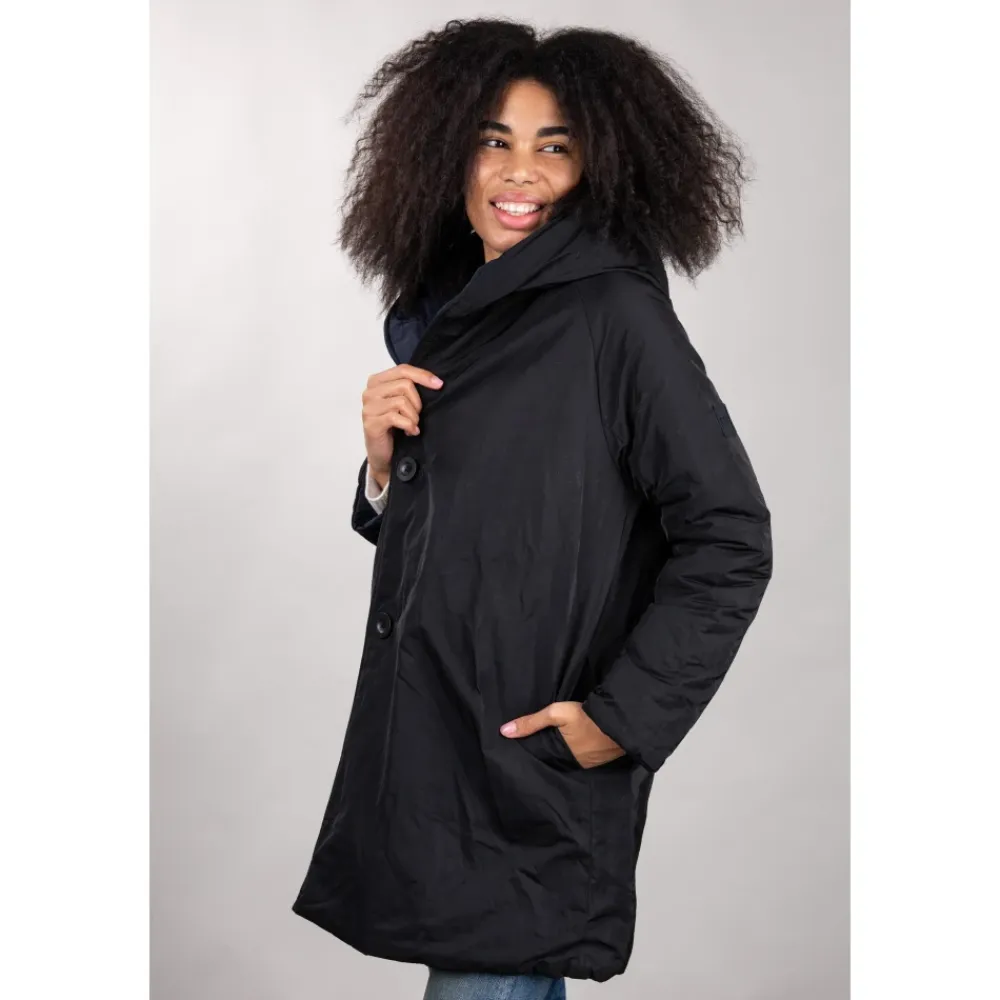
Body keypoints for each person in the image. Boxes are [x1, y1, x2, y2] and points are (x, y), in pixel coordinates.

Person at [292, 18, 773, 1000]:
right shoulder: (464, 314)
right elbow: (495, 528)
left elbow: (727, 534)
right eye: (493, 140)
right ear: (445, 152)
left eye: (555, 145)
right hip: (440, 760)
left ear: (599, 165)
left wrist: (618, 720)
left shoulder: (613, 315)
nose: (520, 171)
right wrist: (382, 469)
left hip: (526, 771)